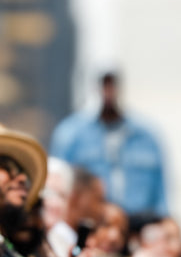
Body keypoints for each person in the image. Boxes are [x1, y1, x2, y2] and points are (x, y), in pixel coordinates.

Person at [50, 72, 168, 216]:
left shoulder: (146, 135)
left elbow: (161, 192)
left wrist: (162, 218)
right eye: (104, 85)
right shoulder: (71, 133)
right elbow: (58, 183)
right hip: (92, 218)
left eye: (112, 85)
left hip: (138, 220)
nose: (108, 91)